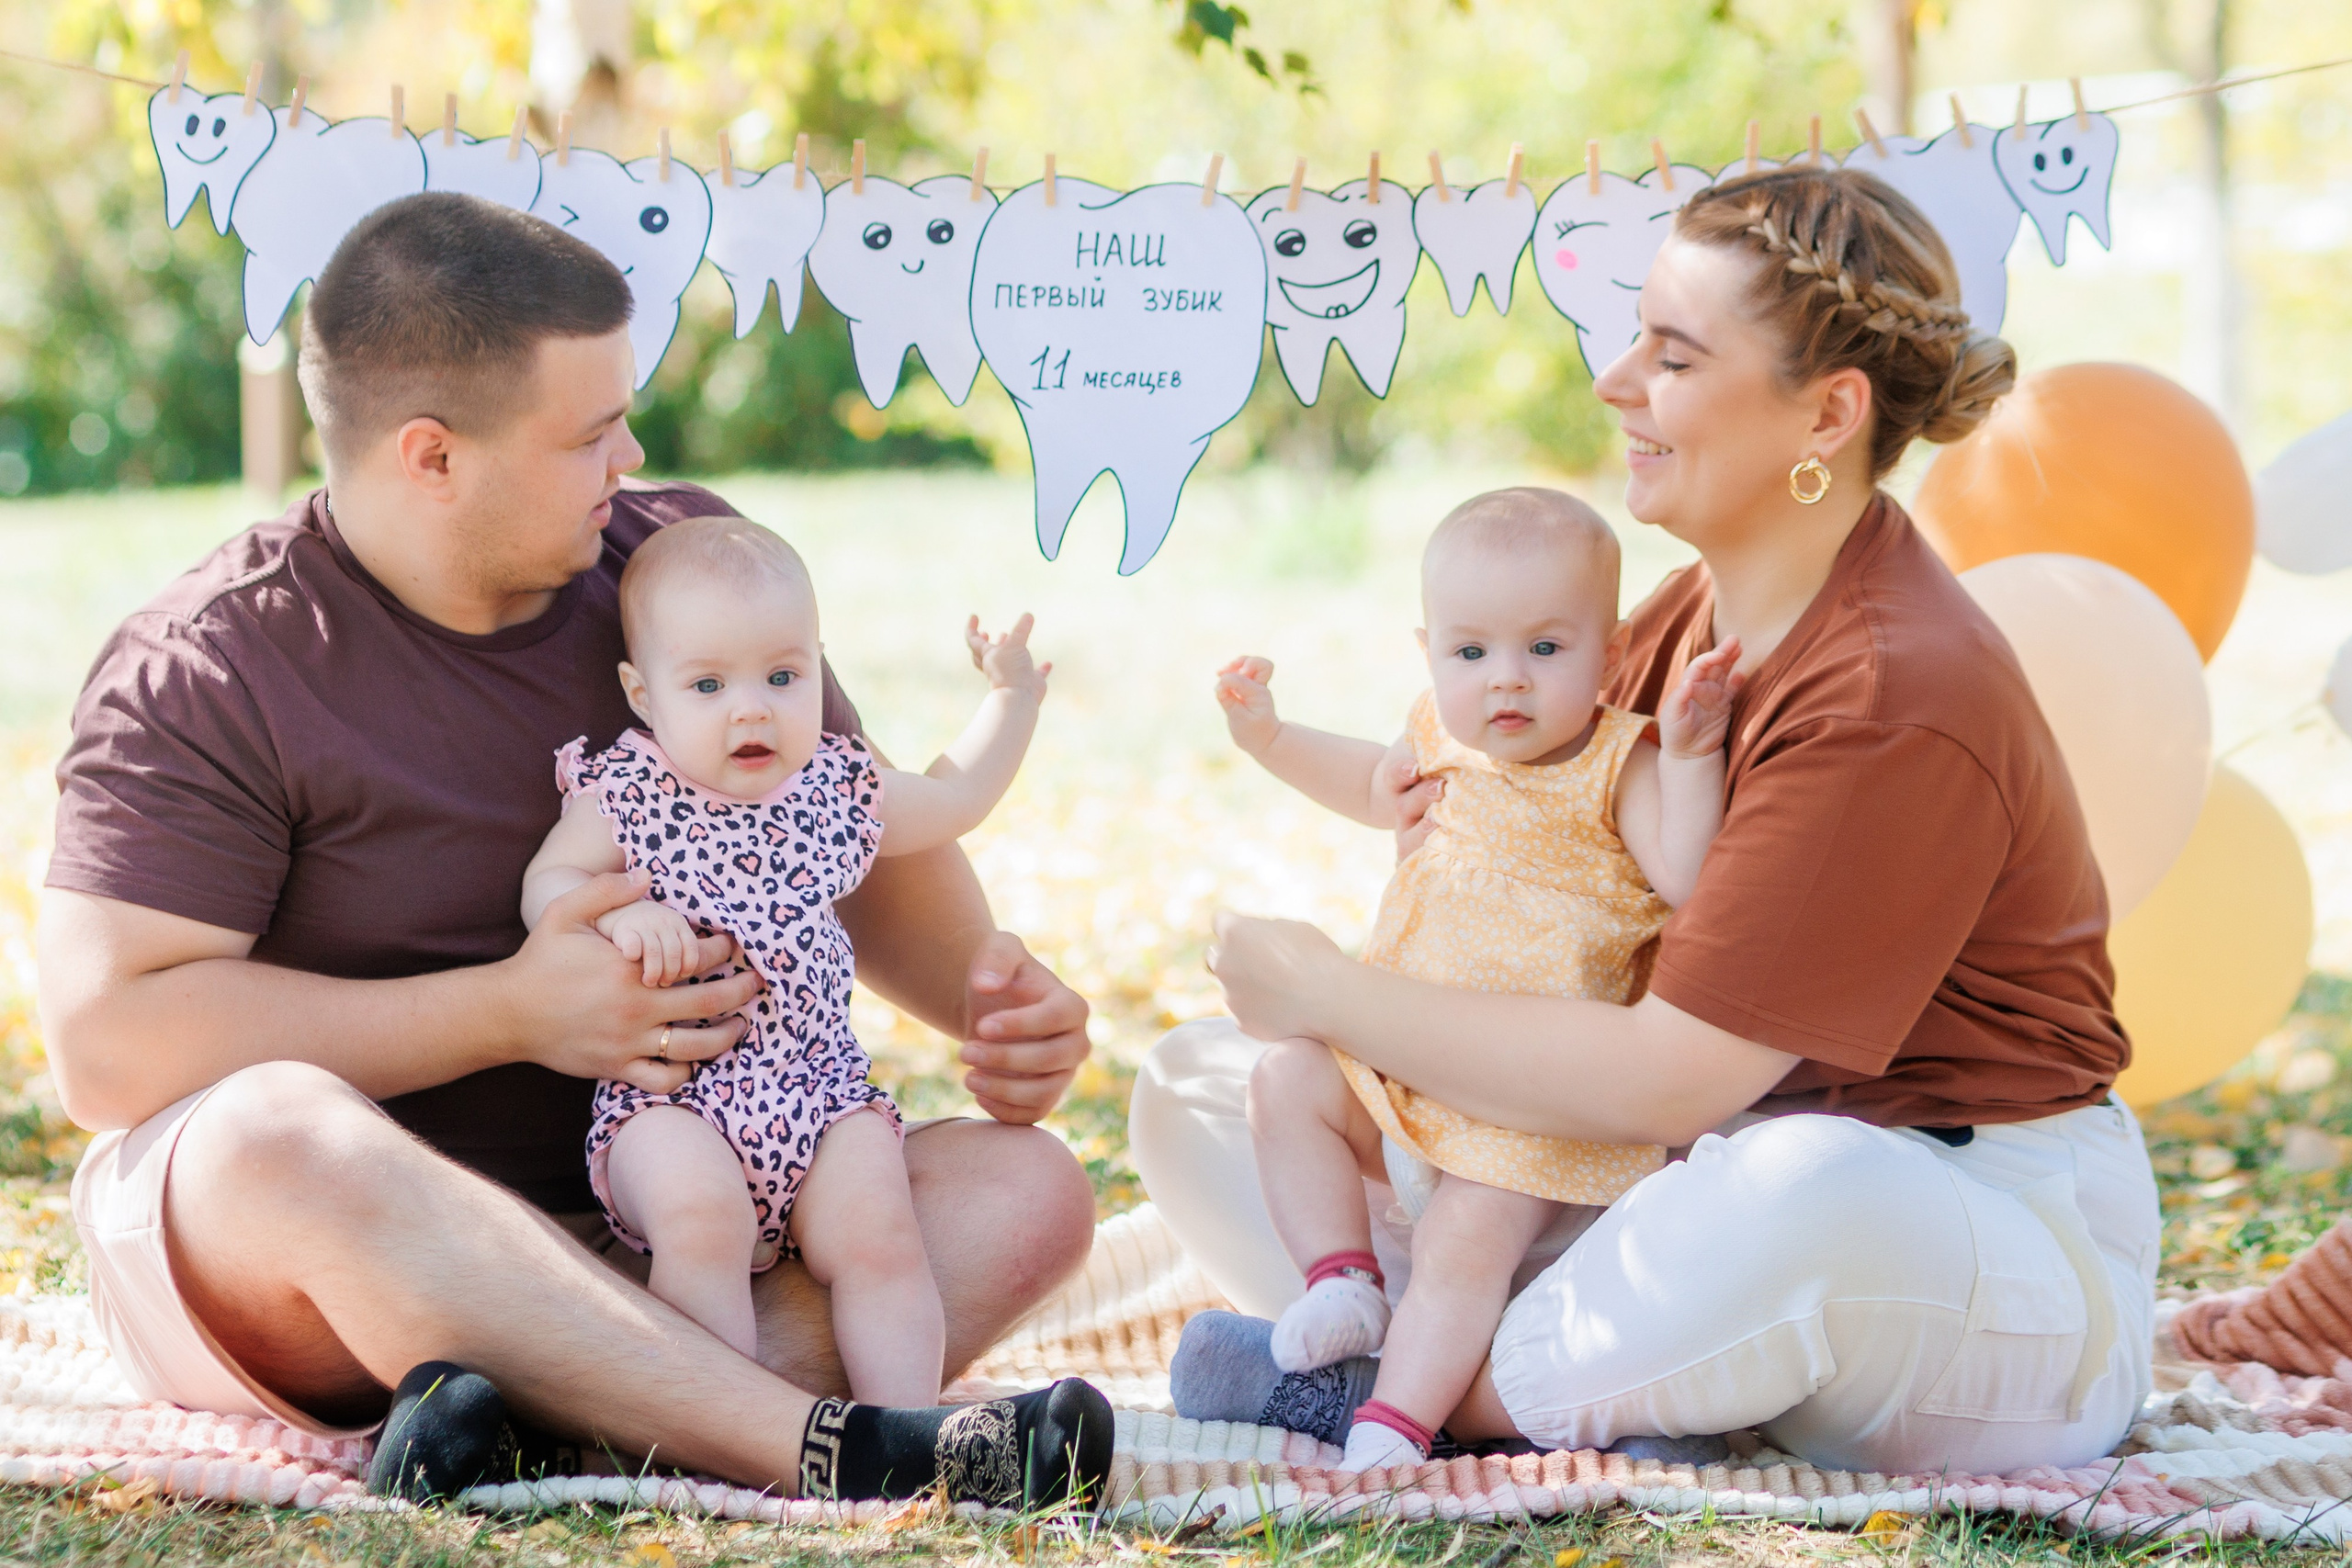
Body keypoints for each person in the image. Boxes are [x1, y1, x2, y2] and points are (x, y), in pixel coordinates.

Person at [39, 192, 1110, 1506]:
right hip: (339, 1251)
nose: (633, 456)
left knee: (1029, 1190)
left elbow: (861, 856)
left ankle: (524, 1420)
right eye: (594, 432)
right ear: (432, 455)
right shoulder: (212, 662)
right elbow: (109, 1043)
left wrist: (1001, 1003)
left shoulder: (679, 572)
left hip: (663, 1219)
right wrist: (508, 1011)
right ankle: (817, 1440)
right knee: (274, 1136)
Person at [1138, 164, 2159, 1479]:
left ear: (1827, 415)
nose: (1617, 383)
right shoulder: (1682, 615)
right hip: (1671, 1175)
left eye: (1672, 357)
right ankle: (1491, 1359)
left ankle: (1406, 1387)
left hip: (1953, 1224)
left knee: (1800, 1190)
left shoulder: (1894, 691)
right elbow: (1542, 872)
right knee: (1201, 1086)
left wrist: (1332, 991)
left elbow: (1676, 1073)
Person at [1212, 489, 1740, 1472]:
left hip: (1525, 1113)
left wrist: (1697, 754)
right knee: (1283, 1079)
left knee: (1464, 1241)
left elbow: (1687, 874)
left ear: (1611, 652)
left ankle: (1393, 1424)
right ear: (1428, 651)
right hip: (1398, 1065)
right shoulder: (1438, 736)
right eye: (1470, 653)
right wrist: (1271, 739)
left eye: (1545, 650)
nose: (1506, 681)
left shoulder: (1619, 761)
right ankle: (1342, 1279)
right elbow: (1369, 784)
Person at [523, 515, 1050, 1397]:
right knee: (702, 1222)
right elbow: (550, 881)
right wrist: (620, 917)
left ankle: (901, 1429)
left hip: (818, 1090)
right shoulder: (626, 791)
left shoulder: (833, 789)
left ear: (816, 665)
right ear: (643, 694)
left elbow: (956, 796)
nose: (751, 707)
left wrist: (1012, 700)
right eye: (707, 684)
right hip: (673, 1100)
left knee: (879, 1234)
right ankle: (717, 1429)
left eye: (782, 674)